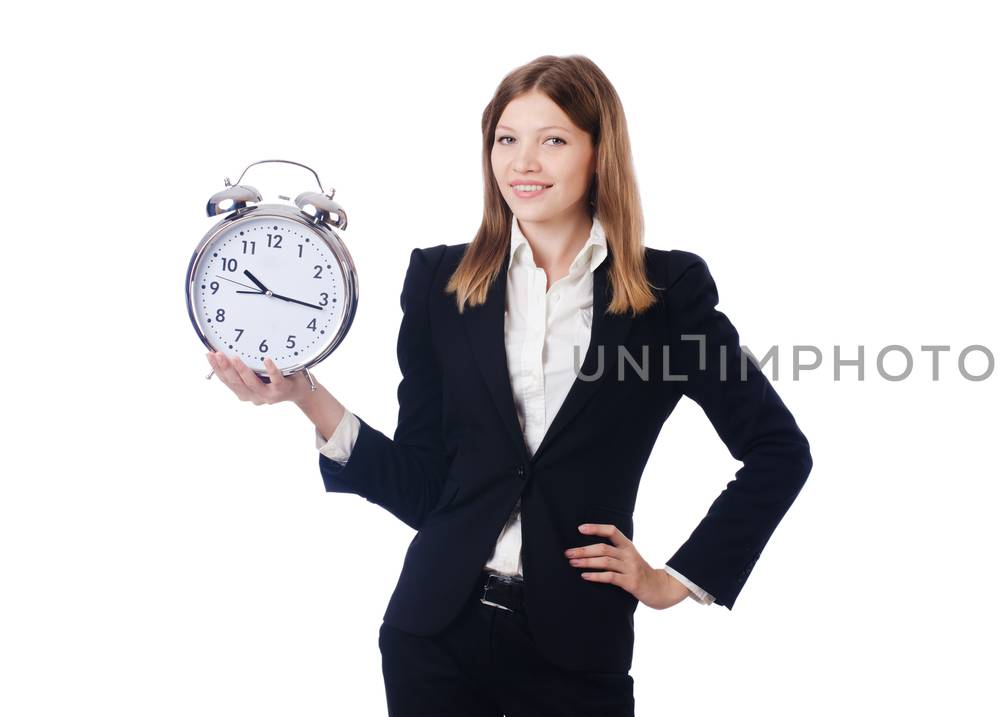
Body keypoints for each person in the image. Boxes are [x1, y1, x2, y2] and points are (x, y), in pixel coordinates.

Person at [206, 54, 812, 716]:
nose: (523, 162)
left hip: (578, 648)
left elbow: (779, 449)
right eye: (506, 139)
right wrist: (305, 397)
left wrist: (676, 580)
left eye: (552, 139)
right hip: (432, 634)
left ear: (598, 152)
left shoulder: (667, 294)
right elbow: (423, 488)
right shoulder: (442, 282)